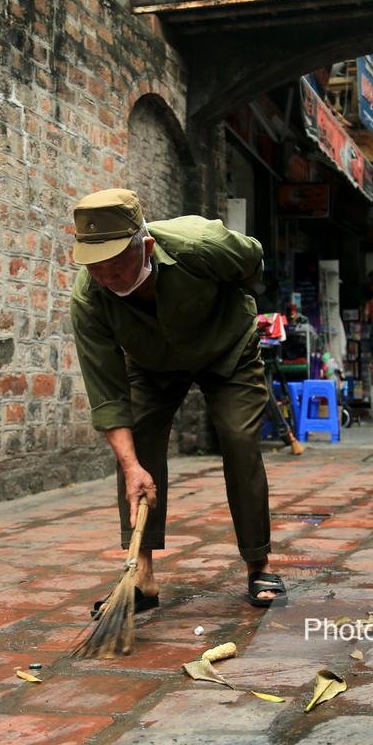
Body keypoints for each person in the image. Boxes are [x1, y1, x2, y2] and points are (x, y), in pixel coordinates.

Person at [68, 189, 287, 615]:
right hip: (152, 364)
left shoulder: (199, 244)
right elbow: (108, 394)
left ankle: (258, 563)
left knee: (238, 439)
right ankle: (141, 576)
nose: (108, 278)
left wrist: (230, 305)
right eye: (97, 269)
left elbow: (251, 261)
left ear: (146, 247)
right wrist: (132, 466)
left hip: (227, 348)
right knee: (140, 446)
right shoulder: (90, 299)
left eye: (116, 266)